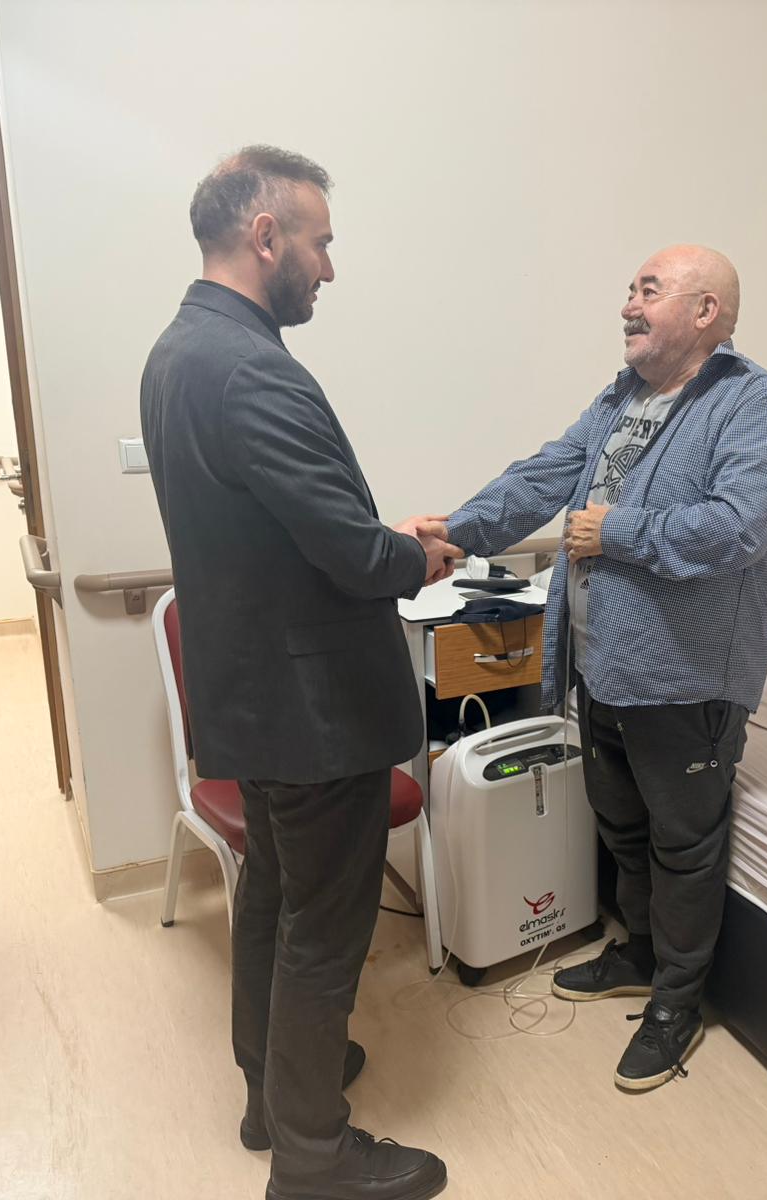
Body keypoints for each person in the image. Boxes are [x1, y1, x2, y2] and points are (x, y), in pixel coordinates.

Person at [140, 145, 451, 1200]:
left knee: (273, 901)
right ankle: (312, 1161)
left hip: (254, 700)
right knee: (322, 934)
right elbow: (350, 556)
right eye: (320, 243)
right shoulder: (253, 369)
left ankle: (267, 1095)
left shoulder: (178, 352)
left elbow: (274, 528)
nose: (329, 267)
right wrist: (413, 555)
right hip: (313, 716)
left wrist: (374, 537)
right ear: (265, 236)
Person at [444, 244, 767, 1092]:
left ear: (706, 311)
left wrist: (616, 531)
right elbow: (545, 475)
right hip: (601, 664)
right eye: (630, 291)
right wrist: (453, 533)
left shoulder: (755, 404)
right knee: (622, 824)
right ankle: (640, 951)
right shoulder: (622, 397)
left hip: (688, 678)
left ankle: (678, 1004)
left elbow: (737, 528)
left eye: (649, 290)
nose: (627, 306)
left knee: (683, 844)